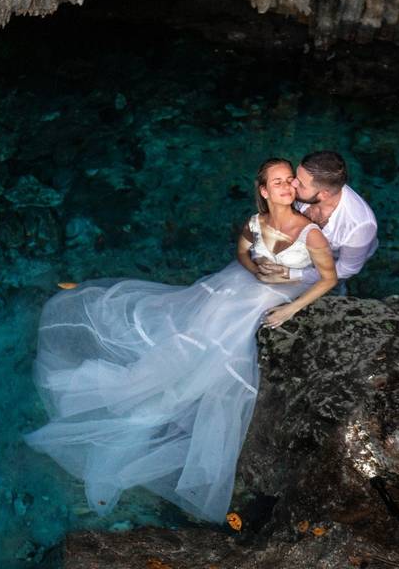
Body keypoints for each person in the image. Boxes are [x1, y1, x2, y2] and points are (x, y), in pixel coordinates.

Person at [23, 159, 337, 523]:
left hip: (275, 297)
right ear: (264, 191)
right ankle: (150, 391)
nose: (286, 187)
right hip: (241, 284)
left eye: (289, 181)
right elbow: (242, 253)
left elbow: (327, 279)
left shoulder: (310, 232)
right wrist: (255, 269)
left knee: (222, 341)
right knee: (198, 326)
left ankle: (163, 398)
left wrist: (289, 310)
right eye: (277, 182)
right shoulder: (256, 223)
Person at [256, 151, 378, 296]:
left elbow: (346, 268)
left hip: (335, 259)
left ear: (324, 195)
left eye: (300, 184)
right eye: (296, 176)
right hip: (304, 249)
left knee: (332, 288)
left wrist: (292, 274)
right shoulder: (303, 192)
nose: (292, 184)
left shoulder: (360, 226)